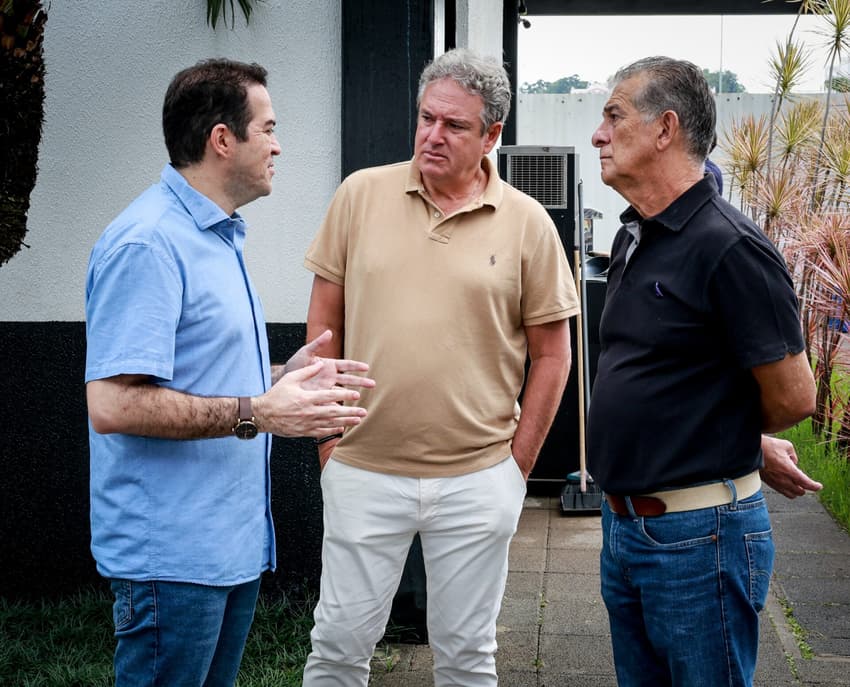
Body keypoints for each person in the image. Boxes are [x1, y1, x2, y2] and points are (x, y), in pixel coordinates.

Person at [85, 59, 374, 686]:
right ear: (223, 139)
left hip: (228, 552)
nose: (278, 144)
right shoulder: (148, 243)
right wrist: (259, 412)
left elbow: (202, 374)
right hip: (171, 560)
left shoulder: (218, 236)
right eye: (267, 128)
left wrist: (278, 376)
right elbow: (112, 404)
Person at [300, 47, 580, 686]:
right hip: (364, 469)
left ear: (492, 136)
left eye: (455, 125)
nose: (433, 135)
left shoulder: (528, 223)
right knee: (337, 648)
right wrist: (328, 442)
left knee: (466, 657)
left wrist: (518, 467)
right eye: (427, 118)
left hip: (478, 476)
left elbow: (554, 353)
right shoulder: (360, 196)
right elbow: (322, 330)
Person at [586, 56, 817, 687]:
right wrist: (735, 434)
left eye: (613, 116)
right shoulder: (637, 235)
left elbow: (795, 396)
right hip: (626, 531)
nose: (598, 134)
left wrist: (727, 438)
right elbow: (682, 374)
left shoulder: (730, 249)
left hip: (698, 541)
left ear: (665, 129)